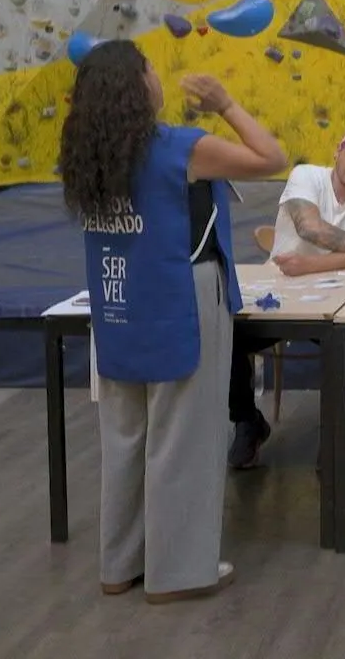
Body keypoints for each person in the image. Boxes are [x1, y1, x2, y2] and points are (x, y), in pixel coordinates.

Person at [60, 40, 287, 602]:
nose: (159, 77)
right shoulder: (178, 148)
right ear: (139, 86)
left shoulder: (85, 153)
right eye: (150, 69)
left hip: (115, 305)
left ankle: (120, 565)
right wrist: (226, 103)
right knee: (183, 438)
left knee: (124, 437)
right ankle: (178, 573)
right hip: (179, 301)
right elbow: (270, 157)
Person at [227, 124, 345, 469]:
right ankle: (247, 420)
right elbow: (310, 227)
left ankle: (334, 429)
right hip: (278, 297)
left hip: (338, 298)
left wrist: (308, 265)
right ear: (338, 150)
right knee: (228, 335)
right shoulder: (305, 176)